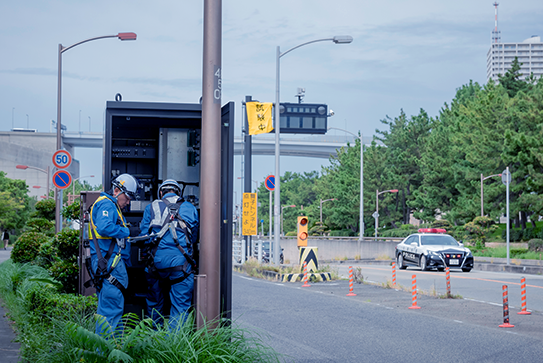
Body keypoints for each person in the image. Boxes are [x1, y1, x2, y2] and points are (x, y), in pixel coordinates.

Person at [139, 179, 199, 331]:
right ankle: (173, 347)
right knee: (180, 307)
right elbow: (193, 238)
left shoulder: (151, 207)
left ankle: (153, 339)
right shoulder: (190, 207)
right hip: (182, 265)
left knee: (154, 301)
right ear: (178, 193)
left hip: (156, 265)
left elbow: (144, 236)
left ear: (161, 193)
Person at [88, 173, 138, 336]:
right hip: (108, 264)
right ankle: (107, 353)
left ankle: (106, 351)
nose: (128, 202)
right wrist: (128, 231)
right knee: (111, 311)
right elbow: (104, 227)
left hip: (106, 264)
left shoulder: (110, 205)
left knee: (108, 312)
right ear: (117, 190)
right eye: (128, 197)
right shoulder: (107, 204)